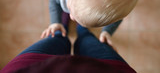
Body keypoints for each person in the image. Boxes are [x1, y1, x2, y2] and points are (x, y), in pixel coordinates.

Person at [1, 12, 136, 73]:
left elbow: (120, 13)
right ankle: (81, 27)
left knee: (57, 37)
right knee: (86, 39)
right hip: (110, 69)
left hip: (30, 66)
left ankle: (66, 26)